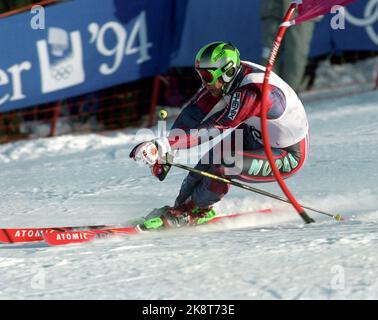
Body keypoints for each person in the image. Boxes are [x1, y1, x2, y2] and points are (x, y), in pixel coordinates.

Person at [130, 41, 309, 229]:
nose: (204, 82)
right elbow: (194, 113)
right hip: (254, 134)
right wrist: (167, 153)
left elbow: (216, 126)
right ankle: (181, 207)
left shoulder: (253, 92)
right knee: (208, 161)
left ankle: (197, 210)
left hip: (286, 154)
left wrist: (164, 145)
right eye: (201, 75)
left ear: (228, 71)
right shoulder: (227, 78)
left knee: (224, 164)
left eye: (207, 76)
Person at [260, 0, 316, 92]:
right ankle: (266, 97)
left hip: (303, 9)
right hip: (273, 9)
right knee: (269, 55)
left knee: (295, 57)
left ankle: (289, 97)